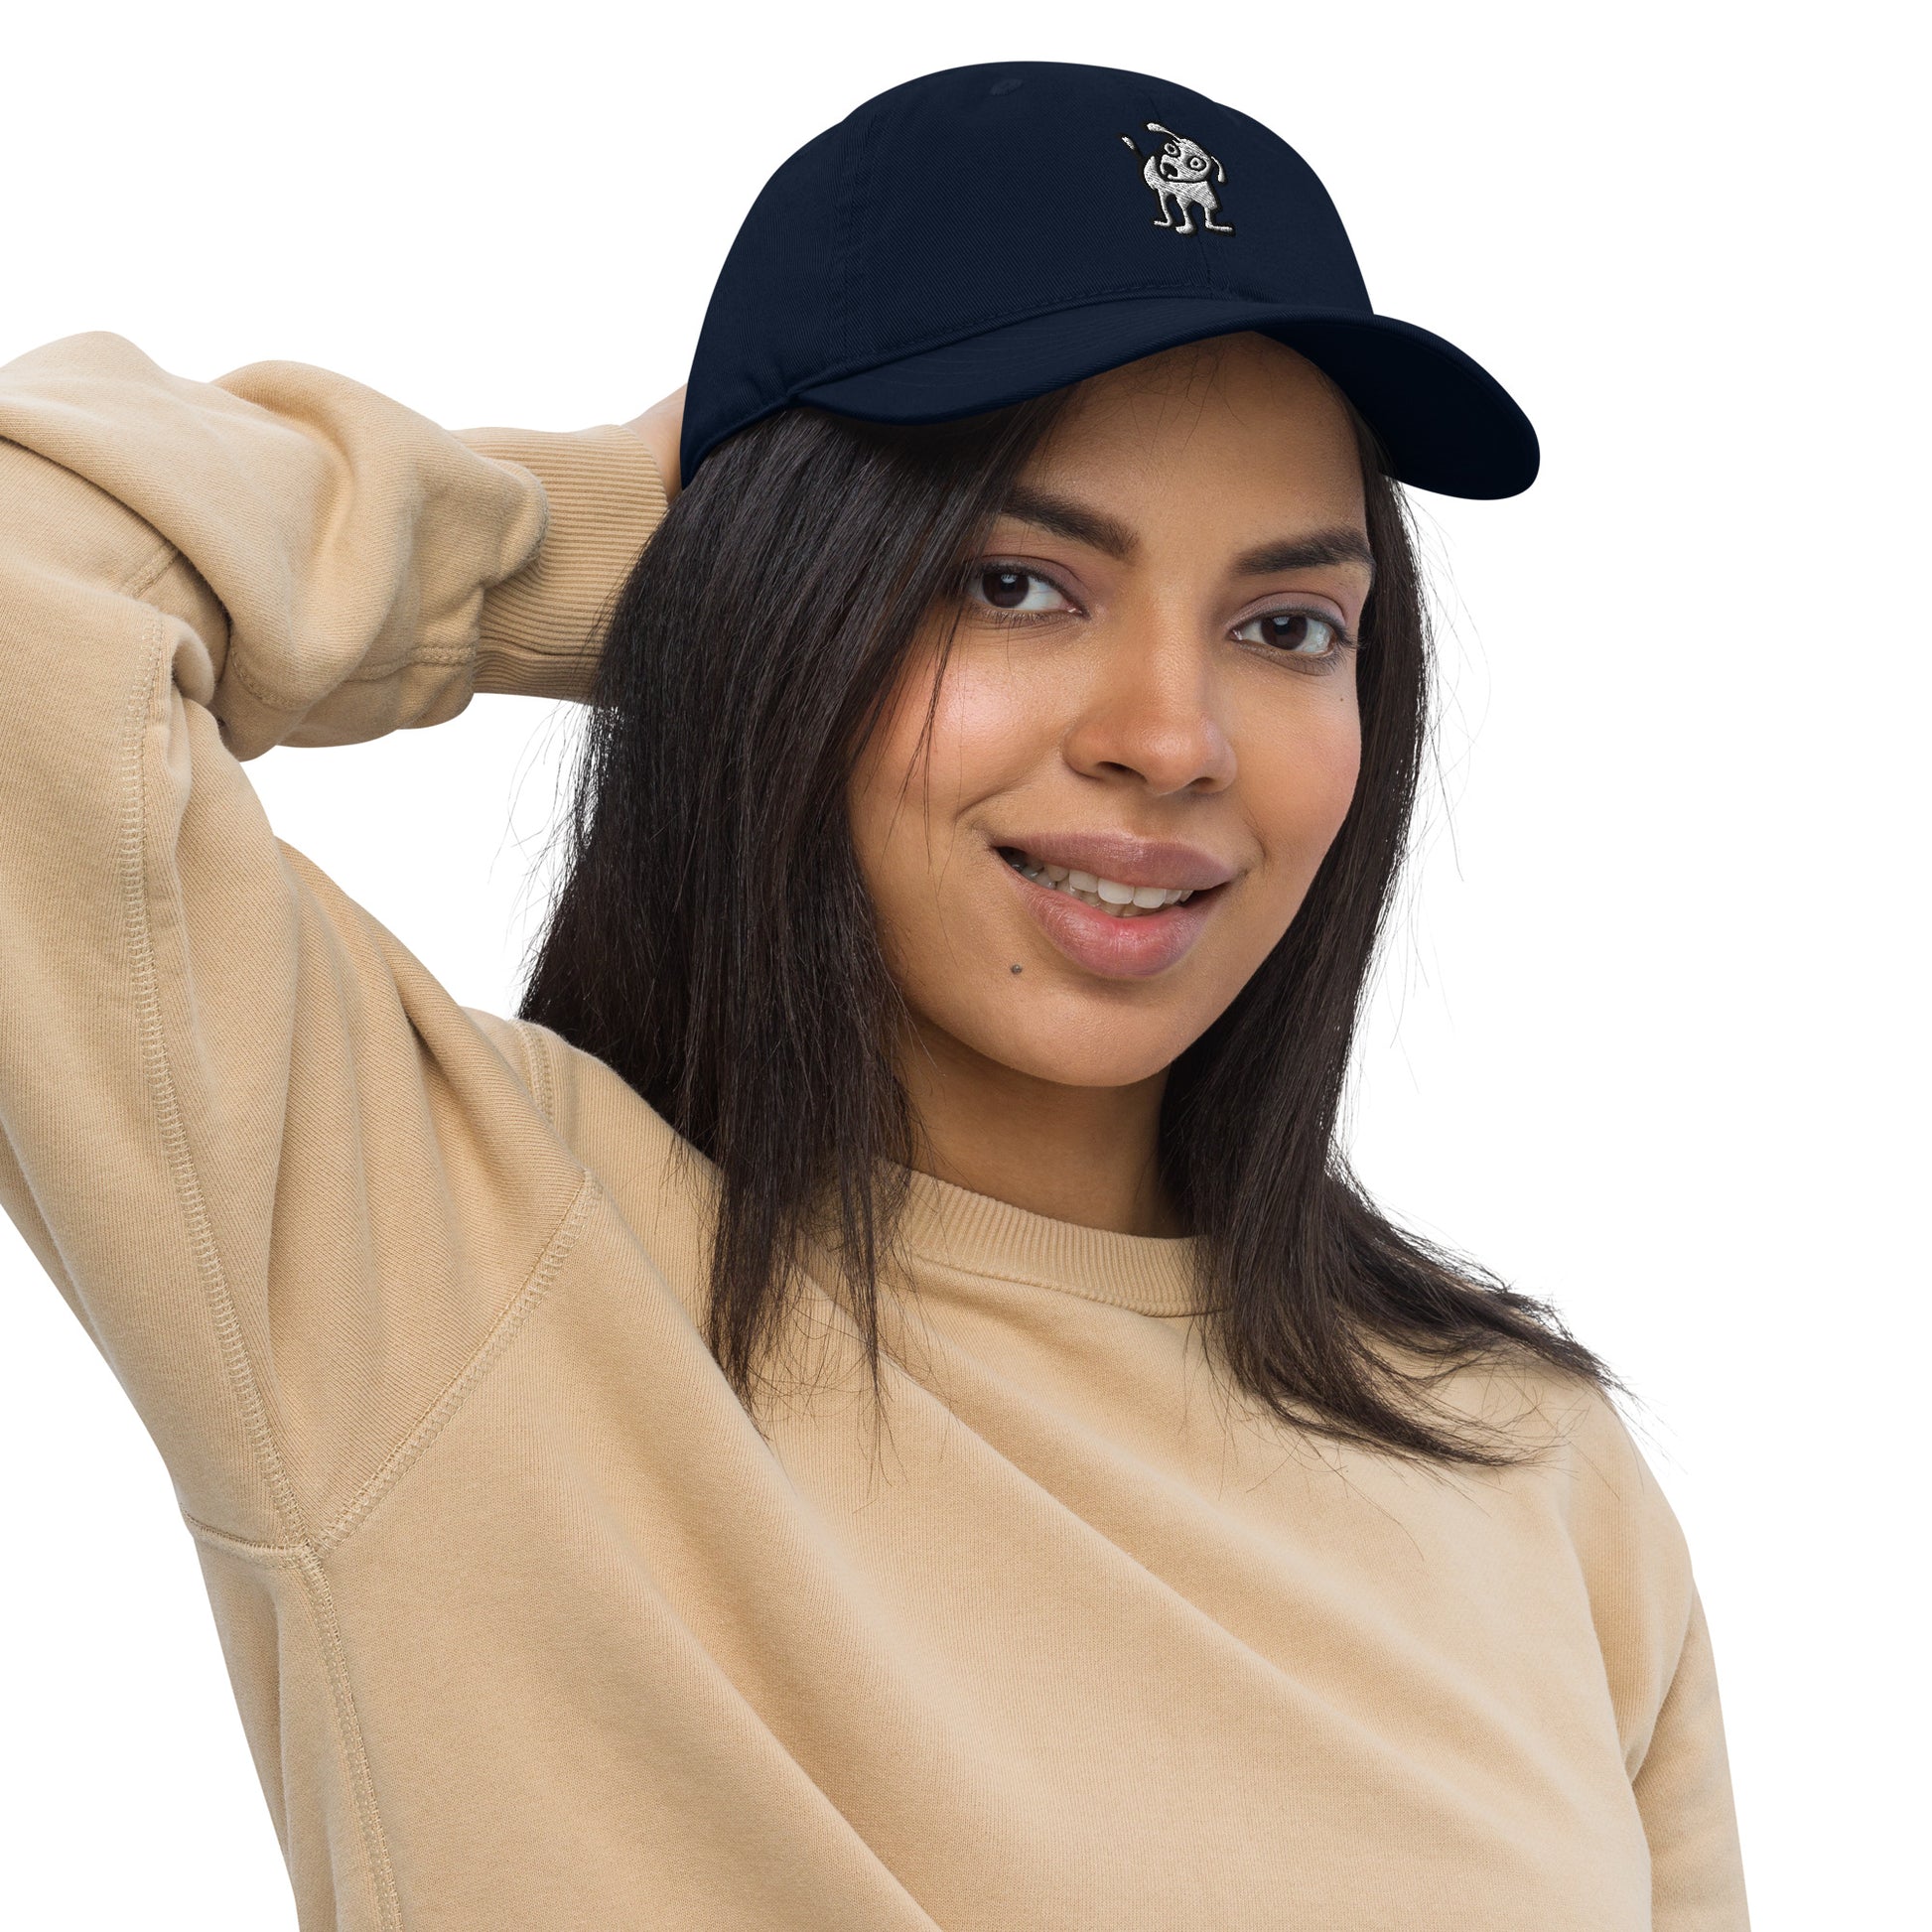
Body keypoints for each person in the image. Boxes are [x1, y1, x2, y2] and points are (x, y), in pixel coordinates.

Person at [0, 60, 1748, 1932]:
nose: (1171, 740)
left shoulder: (1526, 1462)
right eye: (1013, 583)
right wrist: (625, 555)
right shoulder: (436, 1271)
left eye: (1285, 626)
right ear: (799, 594)